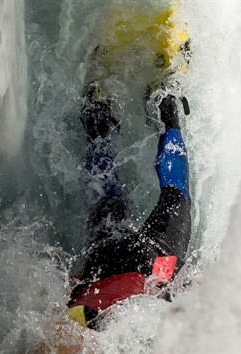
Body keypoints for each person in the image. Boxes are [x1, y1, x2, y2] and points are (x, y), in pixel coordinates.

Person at [65, 83, 191, 330]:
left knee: (175, 194)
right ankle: (98, 119)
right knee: (106, 201)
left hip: (152, 269)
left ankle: (164, 107)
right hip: (102, 267)